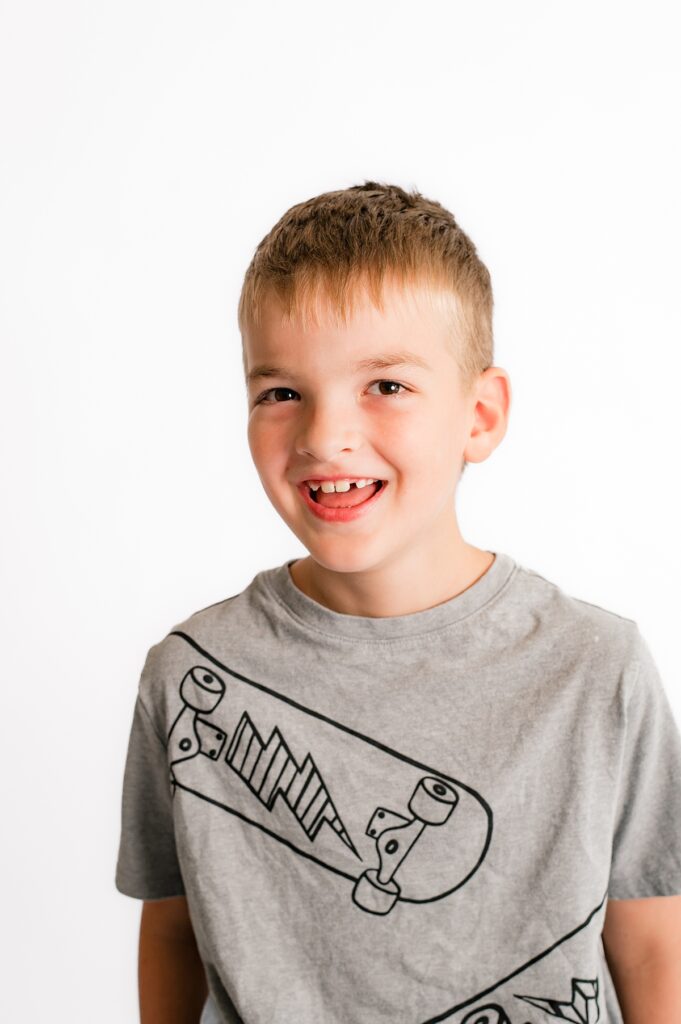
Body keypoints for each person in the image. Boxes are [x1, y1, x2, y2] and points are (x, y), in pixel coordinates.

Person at [115, 181, 681, 1024]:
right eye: (280, 393)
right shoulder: (189, 674)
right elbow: (173, 927)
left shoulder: (595, 670)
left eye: (383, 385)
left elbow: (649, 939)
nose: (322, 435)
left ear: (479, 415)